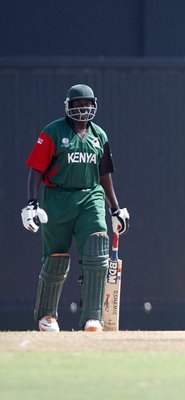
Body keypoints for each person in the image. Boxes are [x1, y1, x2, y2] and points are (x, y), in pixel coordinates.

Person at [22, 83, 130, 333]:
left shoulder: (99, 136)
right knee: (56, 258)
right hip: (57, 198)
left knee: (97, 252)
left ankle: (93, 316)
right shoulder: (53, 132)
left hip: (90, 196)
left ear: (94, 106)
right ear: (68, 106)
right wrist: (31, 202)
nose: (83, 110)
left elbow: (104, 175)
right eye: (78, 105)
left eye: (87, 105)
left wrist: (115, 208)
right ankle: (47, 315)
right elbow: (37, 168)